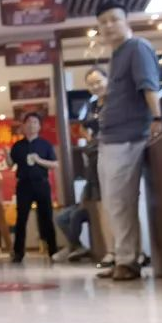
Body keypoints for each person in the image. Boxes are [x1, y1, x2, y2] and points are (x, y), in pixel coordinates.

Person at [94, 1, 161, 281]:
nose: (109, 25)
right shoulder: (117, 54)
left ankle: (128, 261)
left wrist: (157, 118)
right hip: (111, 138)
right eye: (103, 22)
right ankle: (125, 256)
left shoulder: (137, 47)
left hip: (128, 137)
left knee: (121, 201)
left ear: (126, 21)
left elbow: (148, 85)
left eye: (114, 19)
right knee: (114, 203)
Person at [53, 66, 108, 263]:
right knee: (68, 215)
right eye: (91, 84)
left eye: (98, 82)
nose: (95, 86)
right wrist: (91, 139)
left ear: (107, 80)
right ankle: (87, 249)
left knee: (107, 208)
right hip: (93, 164)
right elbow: (83, 128)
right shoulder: (91, 106)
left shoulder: (115, 103)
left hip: (111, 157)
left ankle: (111, 252)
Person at [6, 112, 59, 262]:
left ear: (39, 126)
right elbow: (11, 165)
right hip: (24, 185)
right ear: (23, 126)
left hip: (41, 183)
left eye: (35, 122)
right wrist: (6, 155)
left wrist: (39, 160)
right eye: (28, 122)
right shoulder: (18, 146)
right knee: (21, 219)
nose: (31, 125)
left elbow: (55, 164)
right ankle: (18, 253)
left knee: (46, 217)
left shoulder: (45, 144)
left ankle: (53, 251)